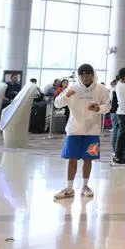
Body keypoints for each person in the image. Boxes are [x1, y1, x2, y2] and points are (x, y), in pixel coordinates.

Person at [51, 64, 109, 200]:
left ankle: (85, 186)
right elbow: (57, 103)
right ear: (79, 76)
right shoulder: (73, 88)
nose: (85, 78)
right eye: (82, 76)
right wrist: (66, 96)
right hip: (74, 129)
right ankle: (69, 187)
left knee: (88, 158)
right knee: (72, 158)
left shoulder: (101, 89)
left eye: (88, 75)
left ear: (92, 75)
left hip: (92, 130)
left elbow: (107, 106)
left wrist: (98, 108)